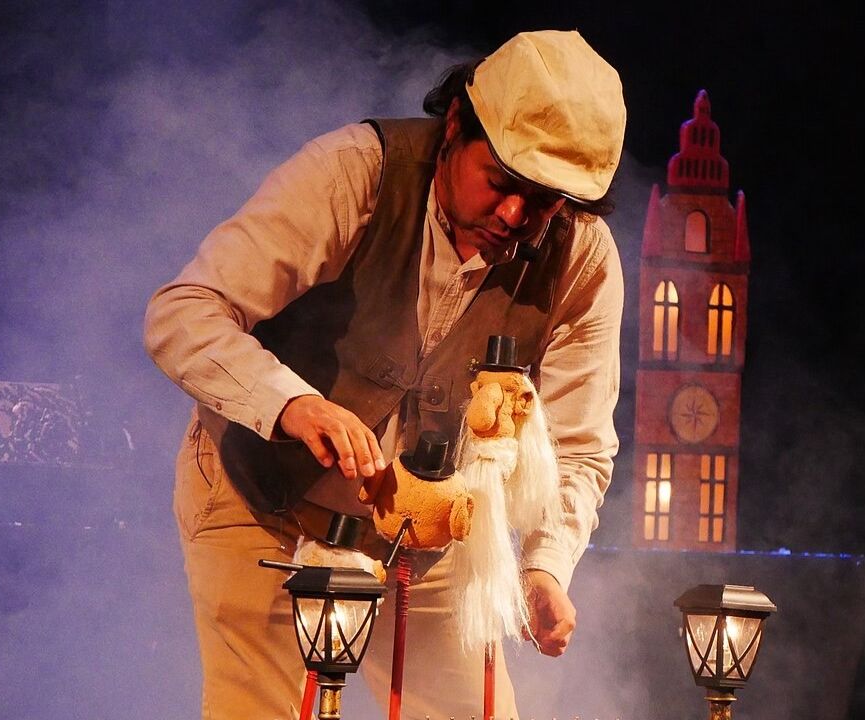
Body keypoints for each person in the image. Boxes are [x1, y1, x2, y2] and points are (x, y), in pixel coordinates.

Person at [144, 29, 625, 720]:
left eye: (545, 201)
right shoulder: (354, 173)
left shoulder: (583, 259)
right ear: (455, 124)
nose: (514, 216)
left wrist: (546, 564)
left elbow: (579, 444)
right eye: (500, 182)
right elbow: (184, 311)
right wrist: (292, 404)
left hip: (425, 536)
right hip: (262, 501)